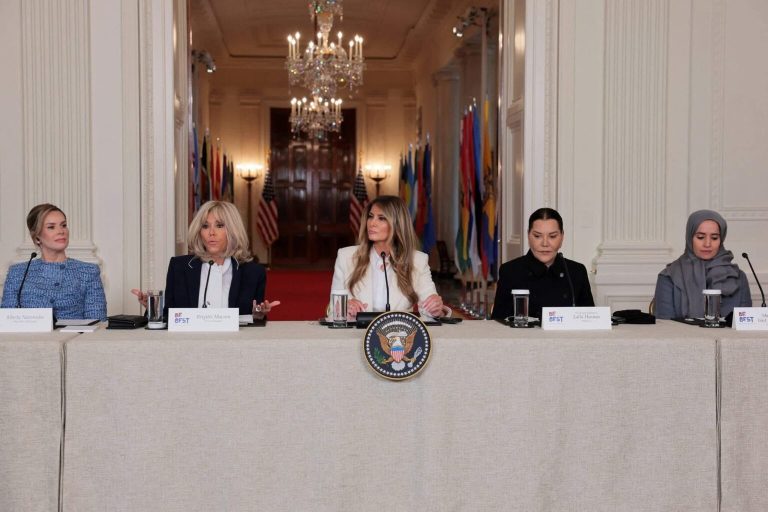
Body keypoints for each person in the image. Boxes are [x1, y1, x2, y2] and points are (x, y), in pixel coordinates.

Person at [132, 201, 279, 316]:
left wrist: (258, 314)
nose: (211, 233)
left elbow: (253, 318)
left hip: (233, 344)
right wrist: (154, 307)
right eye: (205, 226)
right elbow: (169, 315)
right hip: (189, 343)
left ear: (233, 230)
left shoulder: (253, 272)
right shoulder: (179, 267)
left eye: (219, 226)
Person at [330, 195, 447, 318]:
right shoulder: (346, 257)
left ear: (397, 224)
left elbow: (429, 307)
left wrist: (435, 309)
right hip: (358, 329)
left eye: (381, 218)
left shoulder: (418, 260)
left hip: (399, 329)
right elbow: (333, 311)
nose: (372, 223)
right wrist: (343, 308)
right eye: (371, 216)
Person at [1, 203, 107, 321]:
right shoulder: (17, 273)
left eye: (63, 225)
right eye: (51, 227)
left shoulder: (88, 271)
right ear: (37, 237)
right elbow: (7, 321)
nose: (61, 231)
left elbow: (97, 323)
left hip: (75, 334)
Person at [492, 207, 594, 320]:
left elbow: (590, 321)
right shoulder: (510, 271)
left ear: (562, 237)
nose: (545, 243)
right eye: (537, 236)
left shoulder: (577, 271)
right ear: (528, 236)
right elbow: (497, 323)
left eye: (552, 236)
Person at [654, 209, 751, 319]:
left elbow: (746, 322)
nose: (707, 244)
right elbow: (665, 324)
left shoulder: (738, 277)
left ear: (721, 240)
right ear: (690, 237)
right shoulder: (669, 276)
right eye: (700, 237)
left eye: (714, 238)